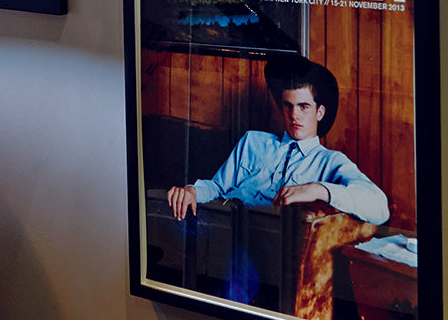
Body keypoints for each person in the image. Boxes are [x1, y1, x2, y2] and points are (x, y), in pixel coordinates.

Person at [166, 56, 389, 226]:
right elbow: (217, 186)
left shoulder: (329, 161)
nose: (294, 115)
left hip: (269, 243)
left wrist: (318, 189)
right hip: (221, 225)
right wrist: (192, 191)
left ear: (319, 112)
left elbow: (380, 207)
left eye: (304, 107)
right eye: (288, 106)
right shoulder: (253, 141)